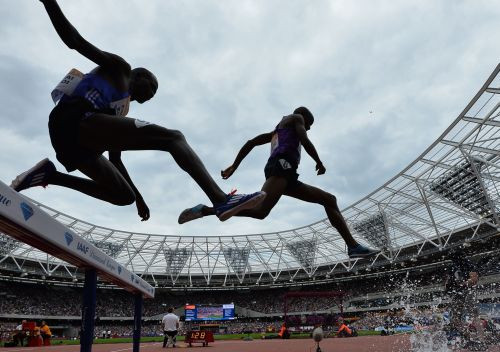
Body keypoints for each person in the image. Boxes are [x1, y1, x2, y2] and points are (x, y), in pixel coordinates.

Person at [10, 0, 265, 223]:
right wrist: (48, 2)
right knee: (173, 138)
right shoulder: (120, 68)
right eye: (152, 86)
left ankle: (51, 176)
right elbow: (74, 41)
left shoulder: (120, 110)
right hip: (73, 119)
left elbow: (116, 159)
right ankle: (220, 199)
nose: (152, 94)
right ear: (138, 75)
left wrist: (140, 199)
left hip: (79, 146)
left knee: (124, 196)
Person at [179, 107, 377, 258]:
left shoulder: (277, 131)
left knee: (327, 200)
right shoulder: (295, 118)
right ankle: (206, 210)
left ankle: (352, 247)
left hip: (286, 173)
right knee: (261, 209)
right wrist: (318, 161)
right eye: (309, 124)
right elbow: (304, 138)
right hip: (281, 168)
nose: (308, 127)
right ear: (303, 117)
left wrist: (234, 165)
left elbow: (251, 142)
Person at [444, 249, 486, 350]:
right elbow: (448, 280)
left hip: (469, 292)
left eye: (454, 257)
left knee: (474, 316)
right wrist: (447, 287)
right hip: (457, 294)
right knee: (455, 319)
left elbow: (474, 280)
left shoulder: (468, 264)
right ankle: (468, 339)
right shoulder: (452, 266)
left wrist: (463, 284)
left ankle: (482, 341)